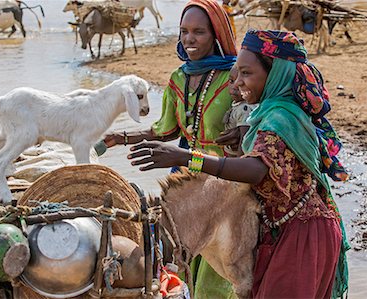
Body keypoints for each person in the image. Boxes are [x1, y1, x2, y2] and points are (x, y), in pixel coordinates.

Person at [128, 29, 350, 298]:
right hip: (289, 228)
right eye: (237, 73)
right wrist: (243, 140)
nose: (238, 83)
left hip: (302, 233)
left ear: (274, 74)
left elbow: (256, 171)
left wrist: (186, 157)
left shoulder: (280, 117)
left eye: (247, 74)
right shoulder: (270, 111)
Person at [102, 0, 239, 297]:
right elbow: (166, 130)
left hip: (225, 179)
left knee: (220, 268)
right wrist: (123, 137)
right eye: (184, 31)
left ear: (216, 34)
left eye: (198, 32)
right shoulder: (179, 78)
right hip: (185, 179)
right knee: (177, 258)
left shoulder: (236, 78)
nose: (189, 39)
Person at [222, 66, 258, 156]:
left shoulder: (244, 109)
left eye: (242, 82)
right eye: (231, 81)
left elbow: (243, 143)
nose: (235, 86)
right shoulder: (237, 105)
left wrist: (238, 164)